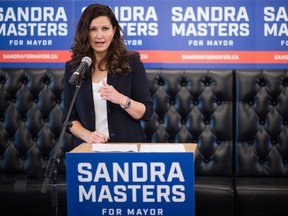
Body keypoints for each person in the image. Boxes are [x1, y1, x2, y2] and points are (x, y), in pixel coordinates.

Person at [63, 3, 153, 146]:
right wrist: (88, 136)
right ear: (85, 32)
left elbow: (146, 112)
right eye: (93, 29)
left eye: (105, 28)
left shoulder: (131, 62)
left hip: (126, 148)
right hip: (90, 149)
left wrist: (121, 99)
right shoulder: (74, 67)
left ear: (114, 31)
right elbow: (69, 119)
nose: (99, 35)